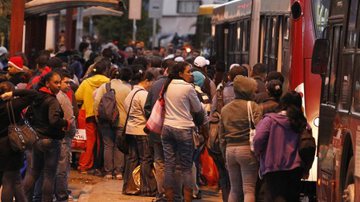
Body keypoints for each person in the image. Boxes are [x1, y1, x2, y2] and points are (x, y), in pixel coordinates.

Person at [161, 62, 205, 202]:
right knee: (186, 167)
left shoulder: (167, 85)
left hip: (167, 128)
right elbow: (198, 109)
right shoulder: (187, 88)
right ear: (180, 74)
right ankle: (187, 199)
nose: (191, 74)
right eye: (188, 71)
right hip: (184, 128)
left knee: (169, 165)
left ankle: (169, 198)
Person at [23, 72, 69, 202]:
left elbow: (28, 115)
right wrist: (66, 122)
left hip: (36, 139)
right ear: (47, 83)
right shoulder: (52, 100)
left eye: (60, 82)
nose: (59, 85)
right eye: (56, 82)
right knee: (49, 175)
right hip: (50, 141)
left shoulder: (37, 97)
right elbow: (54, 121)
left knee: (33, 173)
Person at [253, 91, 307, 202]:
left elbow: (258, 139)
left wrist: (259, 154)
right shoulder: (301, 122)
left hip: (273, 169)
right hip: (295, 170)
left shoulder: (269, 120)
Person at [219, 75, 262, 202]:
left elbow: (221, 137)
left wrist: (224, 154)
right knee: (248, 189)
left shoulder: (225, 109)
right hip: (247, 150)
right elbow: (259, 131)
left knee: (234, 189)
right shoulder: (253, 106)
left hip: (229, 151)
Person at [0, 82, 38, 202]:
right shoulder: (13, 105)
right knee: (8, 181)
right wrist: (14, 93)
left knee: (15, 179)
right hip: (11, 145)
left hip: (3, 145)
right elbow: (33, 94)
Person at [144, 59, 176, 201]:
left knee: (160, 162)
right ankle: (174, 193)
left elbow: (147, 108)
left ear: (165, 70)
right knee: (174, 162)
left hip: (157, 132)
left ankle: (161, 193)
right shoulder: (184, 87)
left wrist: (154, 120)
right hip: (176, 130)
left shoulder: (155, 84)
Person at [122, 70, 157, 196]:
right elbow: (148, 112)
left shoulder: (131, 93)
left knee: (132, 159)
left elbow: (126, 108)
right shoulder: (142, 94)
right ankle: (147, 189)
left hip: (130, 130)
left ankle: (129, 187)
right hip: (141, 131)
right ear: (146, 81)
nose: (152, 84)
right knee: (145, 159)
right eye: (151, 81)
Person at [94, 67, 132, 180]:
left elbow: (96, 102)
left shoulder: (104, 87)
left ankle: (108, 172)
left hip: (105, 120)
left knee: (107, 145)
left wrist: (98, 116)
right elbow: (129, 105)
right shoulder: (126, 88)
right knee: (118, 146)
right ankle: (118, 172)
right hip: (121, 121)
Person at [75, 58, 110, 173]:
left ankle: (84, 165)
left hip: (86, 113)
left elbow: (77, 97)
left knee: (88, 141)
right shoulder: (108, 82)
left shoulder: (86, 82)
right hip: (103, 115)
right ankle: (99, 165)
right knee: (102, 141)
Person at [54, 69, 78, 201]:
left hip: (57, 137)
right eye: (66, 82)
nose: (68, 85)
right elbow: (70, 120)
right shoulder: (62, 97)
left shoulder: (58, 95)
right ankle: (61, 195)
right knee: (62, 167)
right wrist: (72, 133)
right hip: (63, 137)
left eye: (69, 82)